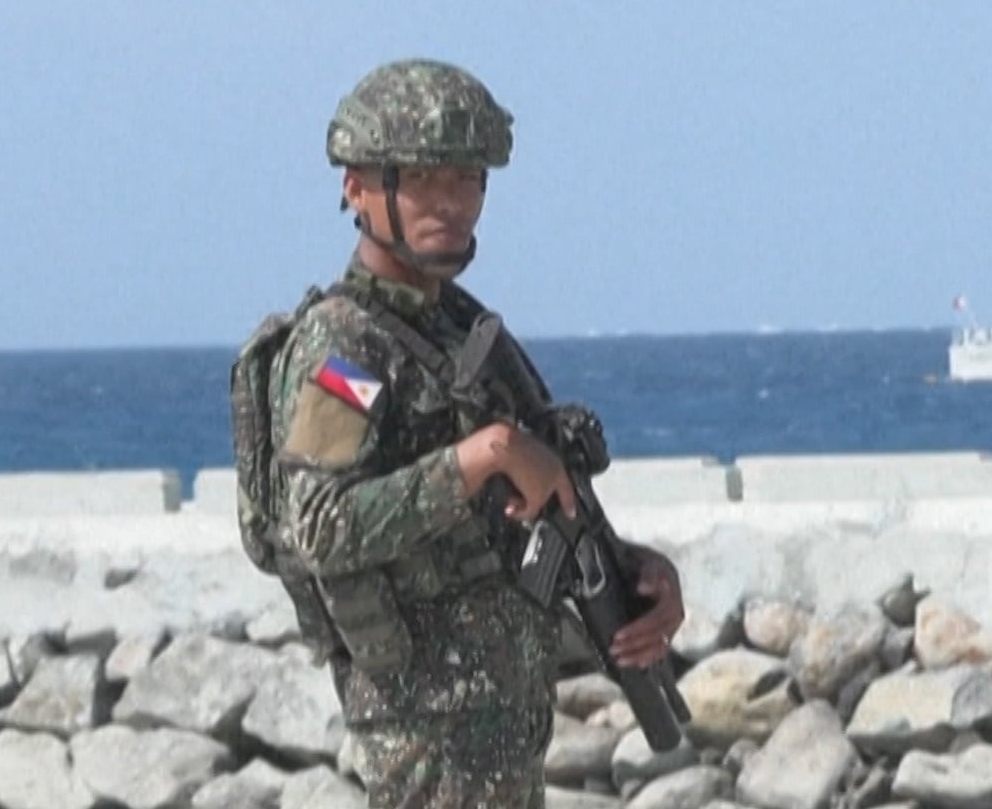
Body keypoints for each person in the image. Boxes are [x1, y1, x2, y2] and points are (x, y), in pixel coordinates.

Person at [260, 59, 685, 808]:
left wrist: (633, 576)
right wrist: (484, 456)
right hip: (427, 739)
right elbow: (318, 525)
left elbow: (547, 508)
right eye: (424, 180)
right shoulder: (346, 350)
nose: (452, 204)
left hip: (503, 723)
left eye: (469, 180)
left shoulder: (464, 329)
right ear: (358, 186)